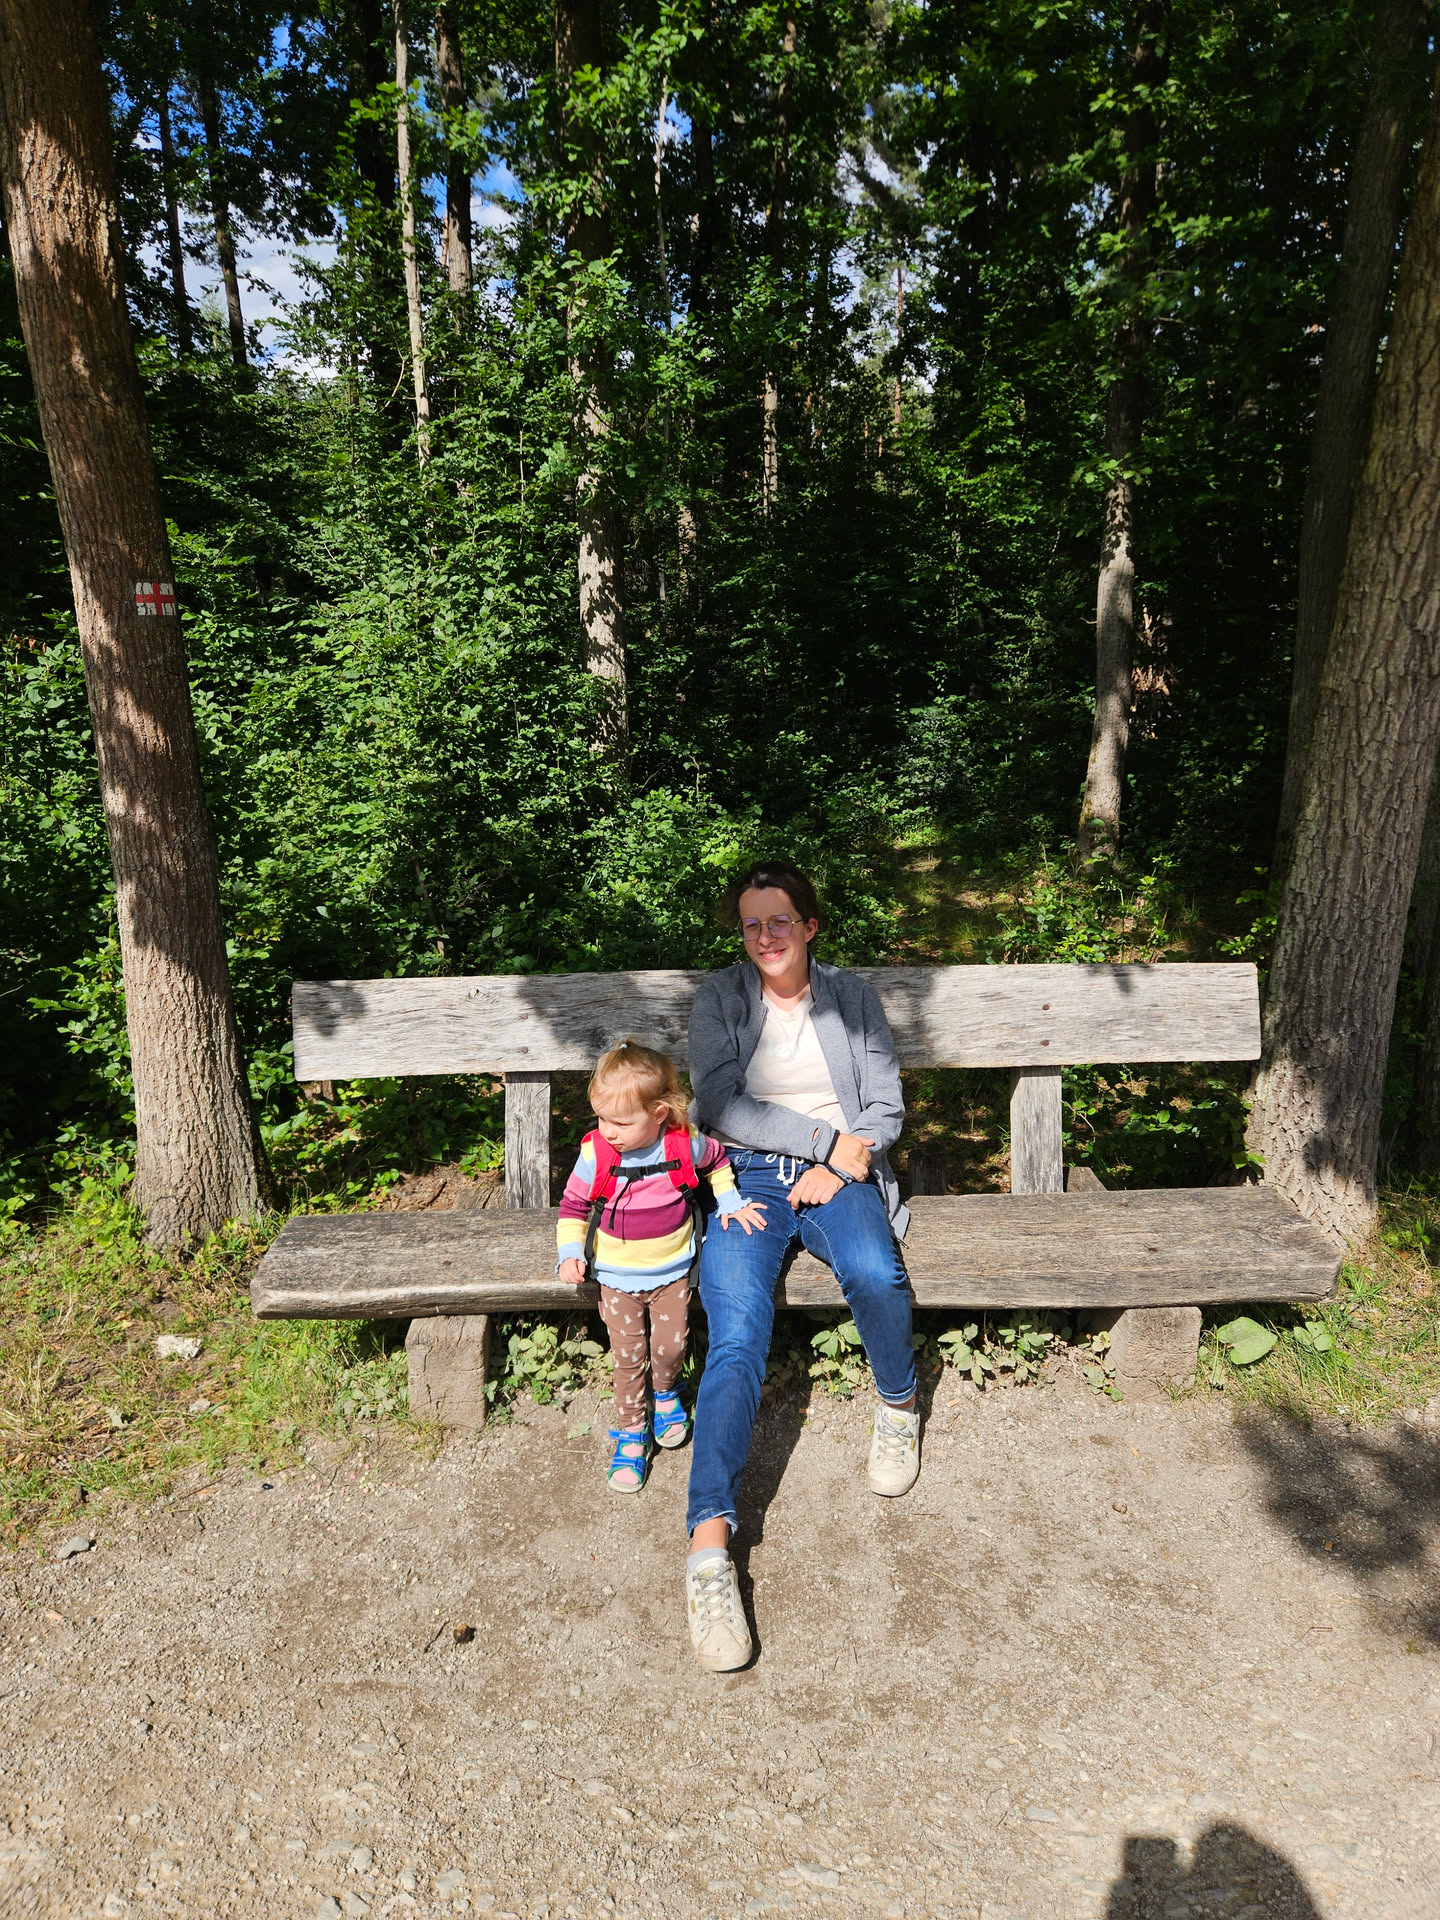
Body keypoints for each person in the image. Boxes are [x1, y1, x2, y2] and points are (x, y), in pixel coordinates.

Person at [682, 860, 917, 1671]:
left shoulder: (852, 998)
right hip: (744, 1180)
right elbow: (718, 1104)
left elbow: (884, 1105)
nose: (765, 937)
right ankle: (708, 1553)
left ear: (810, 926)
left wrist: (845, 1164)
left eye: (779, 920)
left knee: (875, 1272)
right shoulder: (720, 998)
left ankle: (899, 1407)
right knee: (737, 1332)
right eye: (751, 924)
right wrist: (821, 1142)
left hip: (842, 1176)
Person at [556, 1041, 767, 1492]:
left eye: (620, 1122)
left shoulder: (683, 1143)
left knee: (670, 1348)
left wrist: (730, 1200)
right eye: (601, 1119)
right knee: (628, 1359)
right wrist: (570, 1252)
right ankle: (632, 1431)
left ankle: (667, 1393)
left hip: (672, 1273)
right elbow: (573, 1206)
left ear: (658, 1113)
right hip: (617, 1278)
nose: (608, 1131)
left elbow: (718, 1162)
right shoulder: (598, 1155)